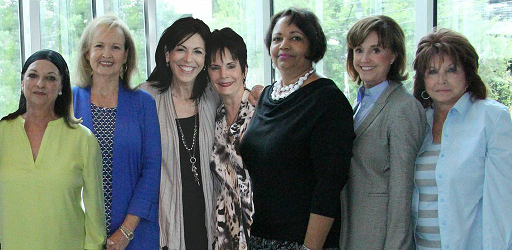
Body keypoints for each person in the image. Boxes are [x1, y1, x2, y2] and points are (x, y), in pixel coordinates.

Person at [239, 7, 354, 250]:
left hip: (305, 242)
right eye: (277, 39)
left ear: (313, 45)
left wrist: (309, 248)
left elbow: (329, 187)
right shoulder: (268, 96)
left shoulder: (328, 101)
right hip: (259, 237)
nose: (284, 45)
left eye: (295, 38)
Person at [412, 28, 512, 249]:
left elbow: (502, 204)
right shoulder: (418, 122)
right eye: (432, 71)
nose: (442, 80)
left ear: (468, 73)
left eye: (451, 70)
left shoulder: (492, 118)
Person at [0, 49, 106, 249]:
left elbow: (95, 213)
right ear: (22, 82)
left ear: (61, 87)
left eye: (50, 78)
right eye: (33, 75)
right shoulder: (2, 134)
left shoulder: (83, 139)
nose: (40, 84)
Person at [73, 14, 162, 250]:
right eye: (99, 46)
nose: (106, 54)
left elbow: (152, 171)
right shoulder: (68, 101)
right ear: (87, 53)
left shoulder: (143, 104)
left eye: (115, 47)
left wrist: (125, 231)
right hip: (78, 232)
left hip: (136, 233)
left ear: (125, 56)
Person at [340, 15, 426, 250]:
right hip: (353, 228)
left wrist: (396, 246)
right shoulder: (360, 102)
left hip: (380, 236)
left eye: (375, 50)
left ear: (394, 55)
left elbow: (403, 190)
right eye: (358, 50)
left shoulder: (403, 108)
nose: (364, 59)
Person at [138, 17, 217, 250]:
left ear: (205, 59)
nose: (188, 59)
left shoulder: (213, 95)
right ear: (166, 54)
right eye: (180, 49)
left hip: (207, 220)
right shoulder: (146, 97)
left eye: (197, 51)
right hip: (163, 222)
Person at [207, 27, 255, 250]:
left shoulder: (261, 111)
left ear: (244, 70)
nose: (223, 75)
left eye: (231, 66)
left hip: (260, 232)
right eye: (215, 67)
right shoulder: (214, 118)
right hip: (224, 236)